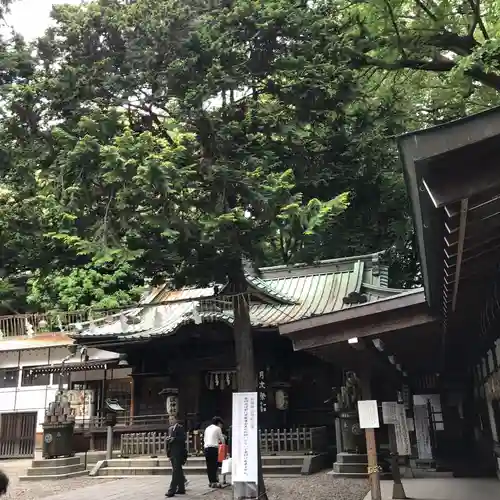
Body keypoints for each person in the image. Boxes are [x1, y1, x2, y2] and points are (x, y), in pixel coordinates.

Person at [166, 415, 187, 497]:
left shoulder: (180, 427)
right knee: (178, 470)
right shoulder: (170, 429)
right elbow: (169, 441)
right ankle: (181, 488)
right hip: (172, 452)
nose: (171, 420)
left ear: (176, 419)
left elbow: (183, 438)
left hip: (179, 452)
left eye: (172, 419)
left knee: (175, 471)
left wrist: (174, 439)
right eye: (170, 419)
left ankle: (172, 490)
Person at [203, 416, 225, 488]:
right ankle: (215, 481)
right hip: (213, 448)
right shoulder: (218, 428)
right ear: (218, 423)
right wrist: (223, 446)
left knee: (209, 466)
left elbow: (205, 439)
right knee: (214, 465)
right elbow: (222, 439)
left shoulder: (207, 428)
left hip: (206, 448)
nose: (221, 426)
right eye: (221, 424)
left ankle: (211, 481)